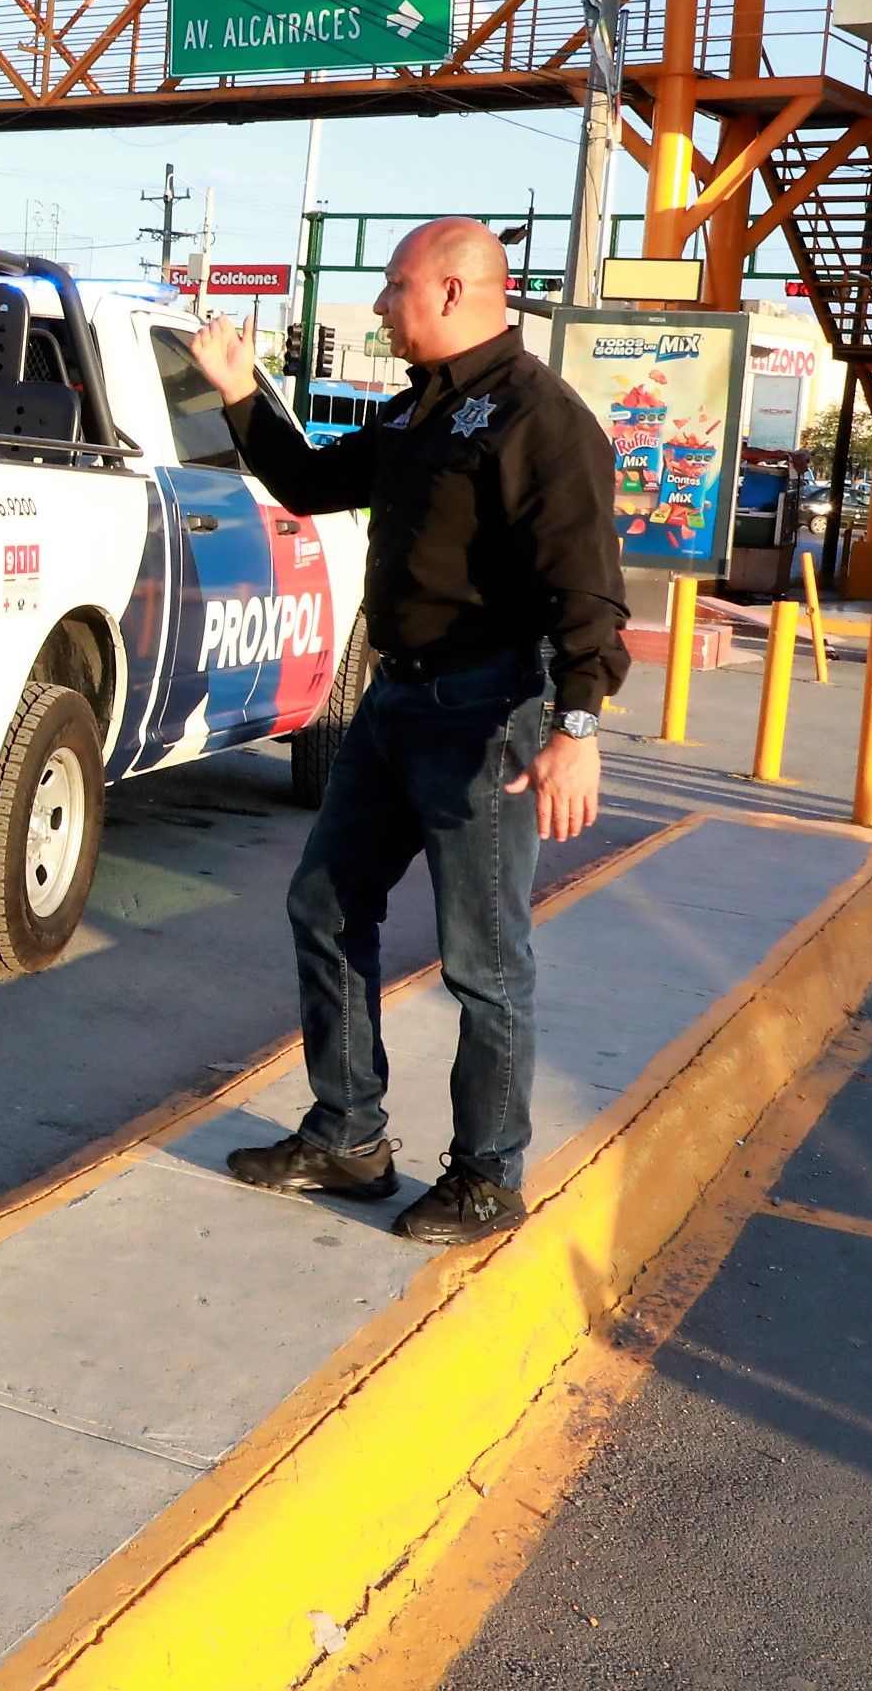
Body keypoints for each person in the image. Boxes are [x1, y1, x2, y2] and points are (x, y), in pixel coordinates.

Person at [187, 217, 625, 1247]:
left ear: (454, 289)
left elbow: (587, 590)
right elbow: (307, 481)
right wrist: (241, 389)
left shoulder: (538, 420)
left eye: (393, 288)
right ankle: (347, 1135)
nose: (381, 305)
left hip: (487, 715)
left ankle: (486, 1174)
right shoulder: (423, 408)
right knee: (326, 902)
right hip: (395, 705)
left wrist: (577, 723)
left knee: (484, 956)